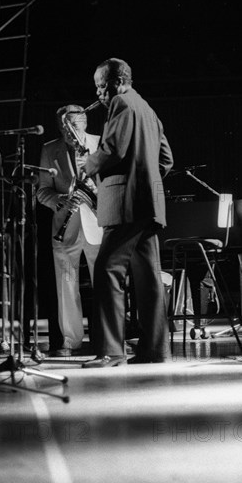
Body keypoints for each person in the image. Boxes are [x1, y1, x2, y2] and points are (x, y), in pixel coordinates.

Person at [83, 58, 174, 367]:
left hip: (125, 203)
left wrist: (89, 164)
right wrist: (146, 180)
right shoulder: (148, 109)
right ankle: (154, 350)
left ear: (119, 82)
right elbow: (166, 160)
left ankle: (110, 350)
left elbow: (112, 151)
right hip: (148, 205)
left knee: (107, 270)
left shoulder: (121, 103)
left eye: (101, 87)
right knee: (147, 278)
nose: (99, 95)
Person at [37, 105, 103, 356]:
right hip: (65, 225)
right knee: (66, 284)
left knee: (105, 284)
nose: (68, 131)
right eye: (63, 126)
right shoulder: (49, 149)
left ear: (84, 123)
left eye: (73, 125)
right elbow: (42, 190)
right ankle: (70, 340)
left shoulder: (100, 143)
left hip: (97, 222)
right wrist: (60, 201)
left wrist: (94, 190)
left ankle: (107, 338)